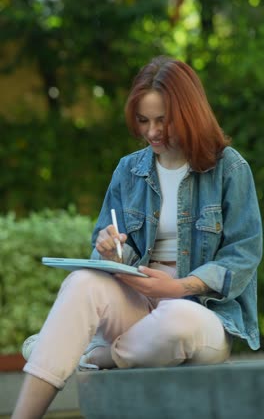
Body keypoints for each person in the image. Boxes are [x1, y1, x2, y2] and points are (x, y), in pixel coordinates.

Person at [12, 56, 262, 418]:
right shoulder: (129, 170)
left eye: (163, 120)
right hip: (138, 305)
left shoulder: (229, 168)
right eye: (144, 121)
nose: (152, 132)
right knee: (82, 281)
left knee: (177, 319)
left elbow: (243, 255)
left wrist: (178, 288)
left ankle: (91, 356)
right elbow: (110, 245)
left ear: (190, 112)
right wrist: (111, 253)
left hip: (201, 314)